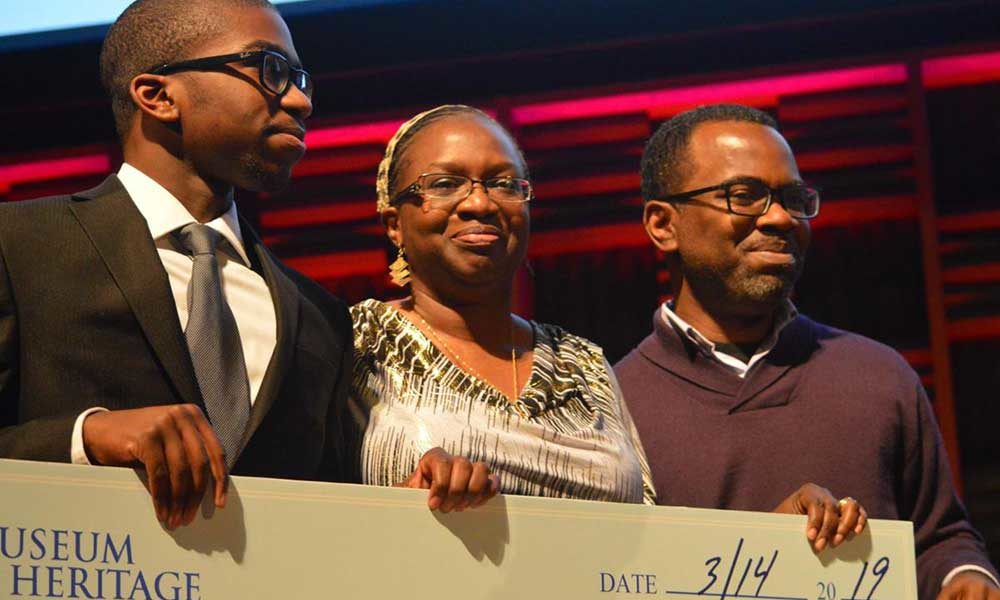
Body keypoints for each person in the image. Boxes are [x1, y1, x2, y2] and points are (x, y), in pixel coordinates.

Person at [0, 0, 489, 530]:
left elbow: (321, 507)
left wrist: (404, 498)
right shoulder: (19, 243)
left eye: (300, 78)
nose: (300, 100)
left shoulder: (318, 315)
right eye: (270, 71)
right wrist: (86, 437)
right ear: (159, 96)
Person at [350, 103, 867, 546]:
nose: (481, 202)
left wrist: (770, 537)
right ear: (394, 221)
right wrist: (399, 511)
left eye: (504, 184)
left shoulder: (582, 362)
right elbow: (292, 512)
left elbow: (646, 547)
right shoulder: (354, 343)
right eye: (445, 184)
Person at [614, 103, 1000, 600]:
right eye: (744, 195)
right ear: (663, 225)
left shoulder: (879, 377)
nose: (779, 217)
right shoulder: (611, 408)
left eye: (792, 197)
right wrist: (761, 548)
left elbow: (939, 537)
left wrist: (964, 576)